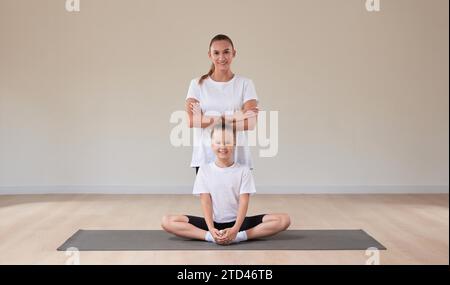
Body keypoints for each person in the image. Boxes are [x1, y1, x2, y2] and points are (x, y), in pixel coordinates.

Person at [161, 121, 290, 245]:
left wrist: (235, 229)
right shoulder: (204, 171)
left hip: (239, 223)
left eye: (227, 142)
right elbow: (206, 202)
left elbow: (244, 203)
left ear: (234, 144)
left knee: (284, 220)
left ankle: (239, 237)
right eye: (218, 142)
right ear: (212, 145)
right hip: (213, 224)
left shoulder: (243, 171)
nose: (222, 146)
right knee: (167, 221)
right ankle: (210, 237)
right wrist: (211, 229)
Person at [185, 34, 260, 174]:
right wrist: (237, 116)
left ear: (234, 53)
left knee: (239, 197)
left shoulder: (245, 84)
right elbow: (192, 120)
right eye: (216, 53)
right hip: (205, 156)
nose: (222, 57)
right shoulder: (197, 84)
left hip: (237, 156)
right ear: (209, 55)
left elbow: (250, 123)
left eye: (226, 52)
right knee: (208, 197)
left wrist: (208, 119)